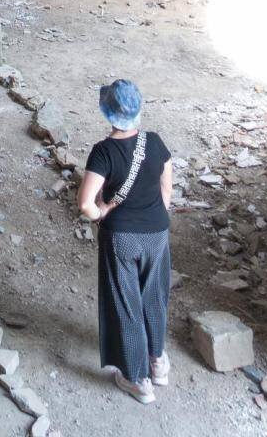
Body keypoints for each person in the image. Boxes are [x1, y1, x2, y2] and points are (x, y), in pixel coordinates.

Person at [77, 79, 173, 405]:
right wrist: (154, 217)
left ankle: (137, 379)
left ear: (107, 113)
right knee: (154, 298)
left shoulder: (103, 153)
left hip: (122, 238)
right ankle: (157, 361)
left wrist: (102, 212)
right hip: (157, 233)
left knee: (126, 305)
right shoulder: (156, 142)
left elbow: (85, 204)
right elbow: (167, 191)